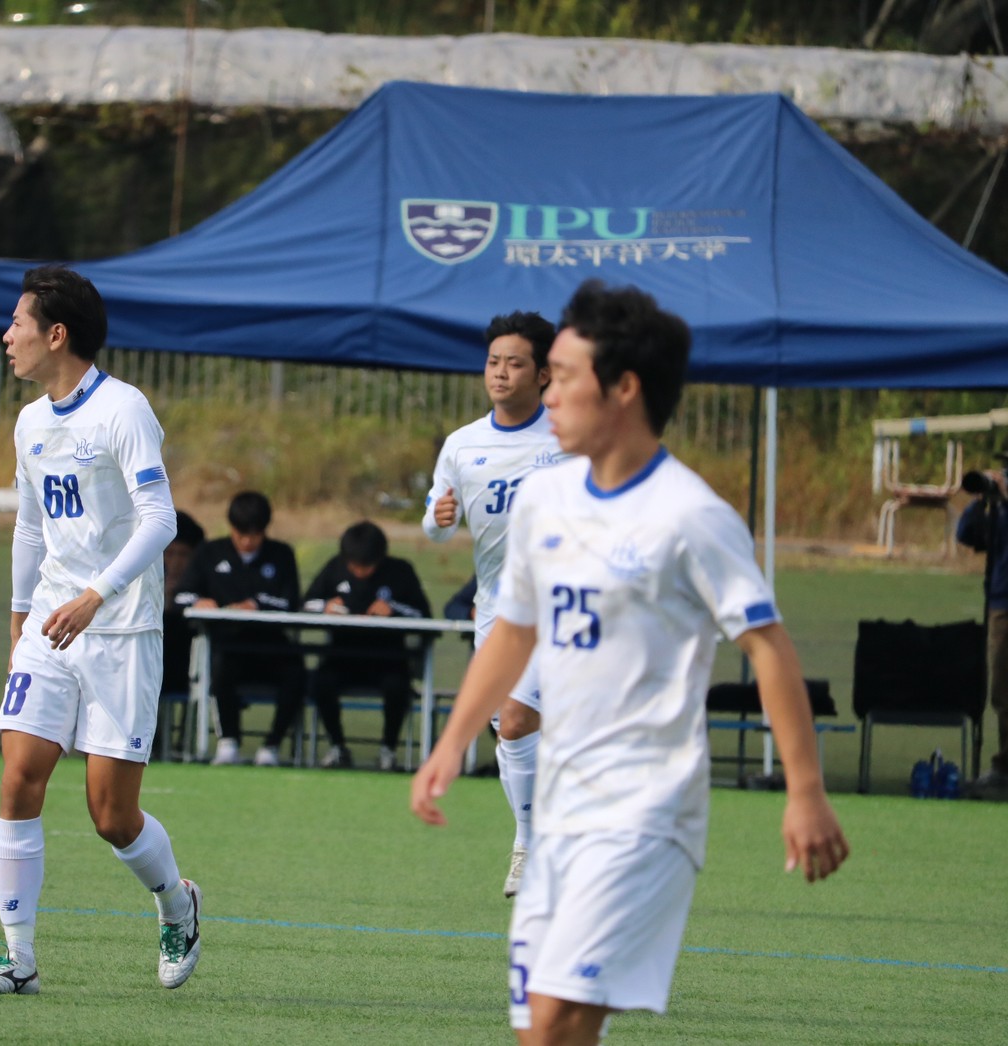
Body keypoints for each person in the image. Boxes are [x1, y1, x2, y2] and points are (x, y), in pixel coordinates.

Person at [411, 280, 849, 1045]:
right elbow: (512, 631)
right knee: (543, 1029)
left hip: (644, 809)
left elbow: (768, 646)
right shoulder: (545, 500)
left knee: (558, 1020)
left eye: (564, 376)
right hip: (562, 807)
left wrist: (805, 792)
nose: (548, 394)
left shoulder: (690, 515)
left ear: (624, 389)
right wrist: (451, 743)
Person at [0, 265, 199, 997]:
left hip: (121, 630)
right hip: (50, 625)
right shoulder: (30, 422)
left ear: (56, 334)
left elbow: (160, 520)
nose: (7, 337)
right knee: (18, 777)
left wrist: (97, 596)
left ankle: (177, 904)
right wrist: (19, 615)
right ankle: (18, 959)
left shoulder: (124, 410)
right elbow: (31, 526)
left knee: (111, 815)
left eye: (18, 324)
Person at [421, 309, 564, 897]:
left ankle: (538, 844)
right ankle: (538, 839)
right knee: (512, 725)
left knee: (527, 720)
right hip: (500, 611)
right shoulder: (462, 444)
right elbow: (434, 526)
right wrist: (439, 518)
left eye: (515, 364)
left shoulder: (570, 435)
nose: (500, 373)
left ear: (544, 374)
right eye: (493, 362)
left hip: (570, 607)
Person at [173, 491, 306, 766]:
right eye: (241, 534)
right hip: (226, 644)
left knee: (296, 671)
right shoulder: (209, 553)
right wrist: (200, 601)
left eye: (254, 535)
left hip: (271, 645)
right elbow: (180, 596)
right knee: (221, 666)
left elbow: (290, 601)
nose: (246, 542)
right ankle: (228, 742)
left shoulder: (281, 555)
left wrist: (256, 604)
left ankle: (271, 746)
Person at [302, 521, 431, 771]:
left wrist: (393, 610)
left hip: (388, 660)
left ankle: (388, 750)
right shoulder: (334, 567)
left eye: (367, 566)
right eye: (354, 566)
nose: (360, 572)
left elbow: (423, 615)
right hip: (342, 657)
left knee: (398, 686)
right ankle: (337, 747)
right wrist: (326, 606)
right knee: (321, 681)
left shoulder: (401, 571)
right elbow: (305, 603)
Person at [956, 469, 1008, 797]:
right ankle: (1004, 767)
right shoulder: (998, 508)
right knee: (1002, 690)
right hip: (1002, 602)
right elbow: (966, 535)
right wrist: (980, 500)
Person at [159, 511, 207, 754]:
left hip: (187, 666)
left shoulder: (204, 588)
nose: (175, 563)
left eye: (183, 555)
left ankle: (184, 741)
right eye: (169, 553)